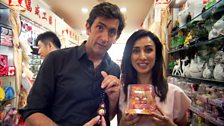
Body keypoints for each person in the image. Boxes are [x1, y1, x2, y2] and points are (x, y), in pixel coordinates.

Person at [20, 2, 125, 126]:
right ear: (88, 27)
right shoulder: (56, 60)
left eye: (112, 32)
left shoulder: (114, 70)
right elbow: (31, 112)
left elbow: (108, 115)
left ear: (116, 37)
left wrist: (114, 100)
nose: (104, 38)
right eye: (100, 27)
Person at [118, 29, 191, 126]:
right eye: (136, 51)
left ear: (157, 55)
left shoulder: (175, 94)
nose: (143, 57)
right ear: (129, 56)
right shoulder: (122, 93)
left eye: (148, 50)